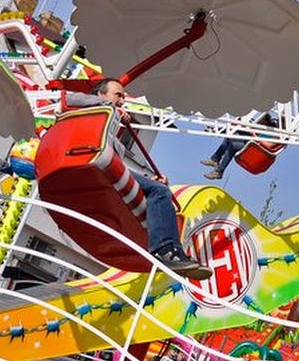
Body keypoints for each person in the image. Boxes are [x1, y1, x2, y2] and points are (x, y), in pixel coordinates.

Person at [65, 78, 212, 280]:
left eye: (123, 98)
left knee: (158, 189)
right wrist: (108, 107)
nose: (122, 101)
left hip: (105, 166)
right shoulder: (88, 111)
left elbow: (122, 168)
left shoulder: (115, 143)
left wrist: (150, 178)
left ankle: (174, 251)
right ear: (100, 94)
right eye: (118, 95)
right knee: (159, 192)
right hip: (84, 157)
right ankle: (164, 250)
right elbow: (68, 98)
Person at [201, 112, 279, 180]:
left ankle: (219, 171)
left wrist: (253, 132)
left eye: (261, 120)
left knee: (233, 144)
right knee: (230, 136)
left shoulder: (273, 132)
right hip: (252, 142)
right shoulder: (262, 128)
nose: (259, 121)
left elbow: (268, 144)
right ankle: (215, 159)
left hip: (256, 148)